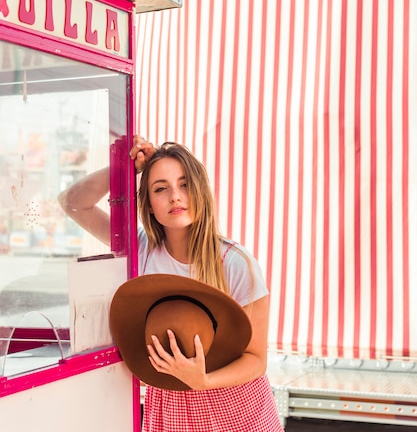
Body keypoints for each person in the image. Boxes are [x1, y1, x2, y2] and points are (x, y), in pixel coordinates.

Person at [58, 136, 283, 432]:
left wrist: (203, 381)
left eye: (185, 184)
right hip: (170, 401)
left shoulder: (235, 262)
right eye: (161, 189)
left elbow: (256, 360)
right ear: (149, 205)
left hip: (234, 402)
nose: (175, 196)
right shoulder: (139, 250)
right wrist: (126, 168)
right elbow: (73, 203)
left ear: (200, 191)